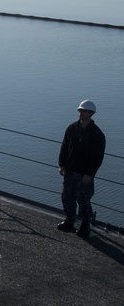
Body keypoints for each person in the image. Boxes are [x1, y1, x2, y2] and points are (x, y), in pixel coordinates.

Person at [57, 99, 106, 238]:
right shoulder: (72, 128)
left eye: (83, 111)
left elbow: (98, 157)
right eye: (80, 110)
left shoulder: (97, 135)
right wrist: (62, 164)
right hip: (70, 170)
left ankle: (85, 224)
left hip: (84, 174)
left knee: (84, 199)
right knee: (67, 196)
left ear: (90, 113)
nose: (80, 113)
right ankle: (69, 220)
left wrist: (89, 173)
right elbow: (65, 146)